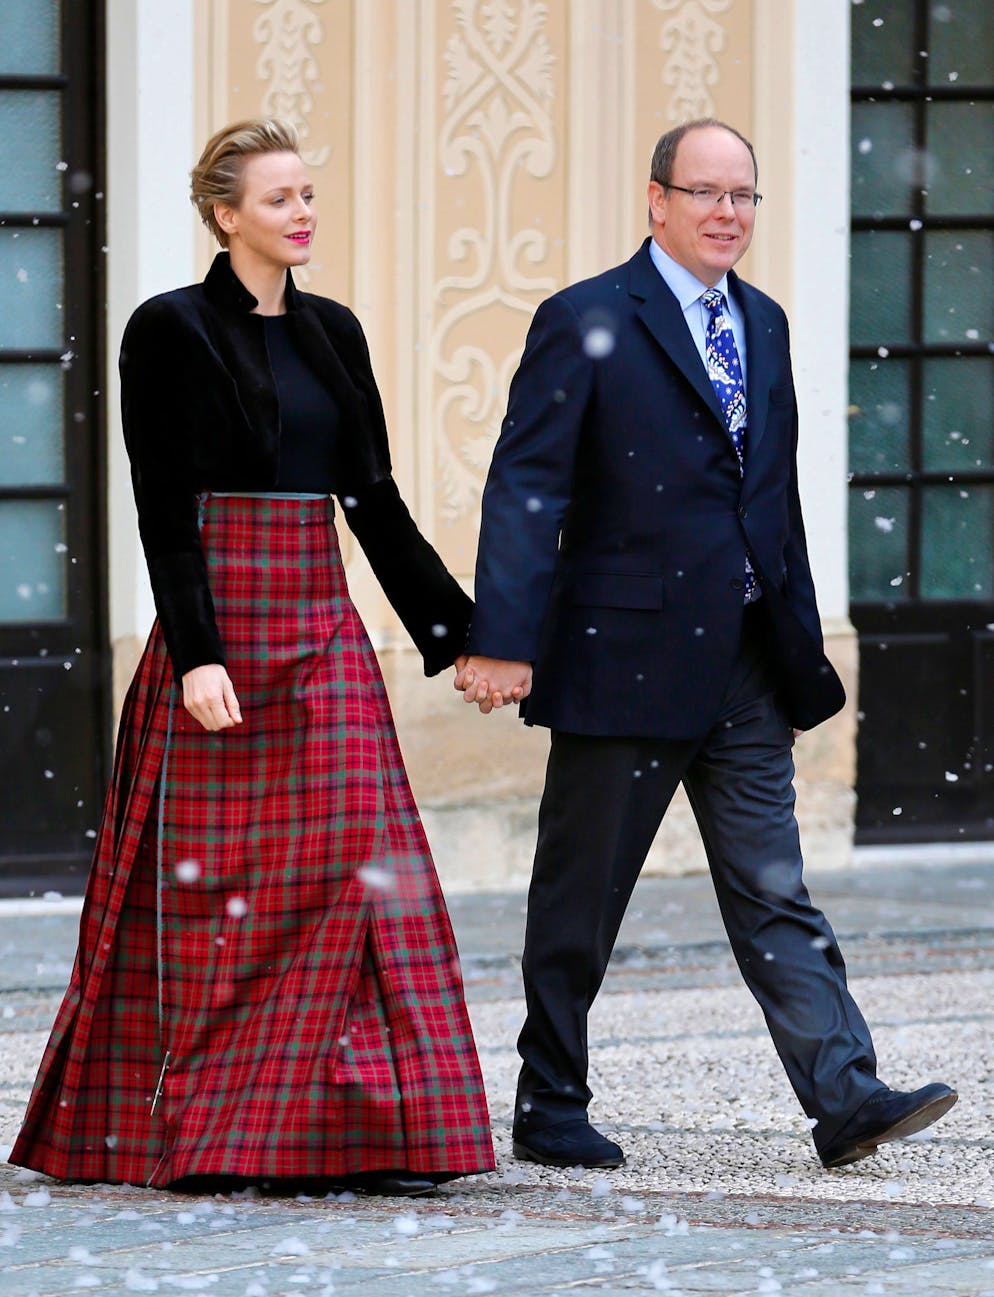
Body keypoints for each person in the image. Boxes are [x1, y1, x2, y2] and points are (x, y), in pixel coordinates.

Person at [456, 119, 956, 1171]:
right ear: (657, 200)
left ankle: (845, 1095)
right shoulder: (585, 317)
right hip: (621, 657)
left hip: (744, 664)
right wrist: (502, 636)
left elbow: (771, 501)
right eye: (706, 193)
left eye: (743, 195)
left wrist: (797, 646)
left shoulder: (763, 323)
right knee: (581, 896)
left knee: (774, 888)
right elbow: (528, 486)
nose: (727, 213)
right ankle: (550, 1101)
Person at [10, 118, 494, 1198]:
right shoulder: (168, 328)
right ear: (226, 215)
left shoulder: (335, 332)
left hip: (320, 629)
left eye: (307, 193)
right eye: (280, 198)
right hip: (220, 634)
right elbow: (162, 509)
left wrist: (461, 634)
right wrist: (196, 655)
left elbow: (374, 504)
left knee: (361, 870)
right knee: (220, 897)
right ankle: (219, 1133)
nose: (302, 212)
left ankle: (373, 1129)